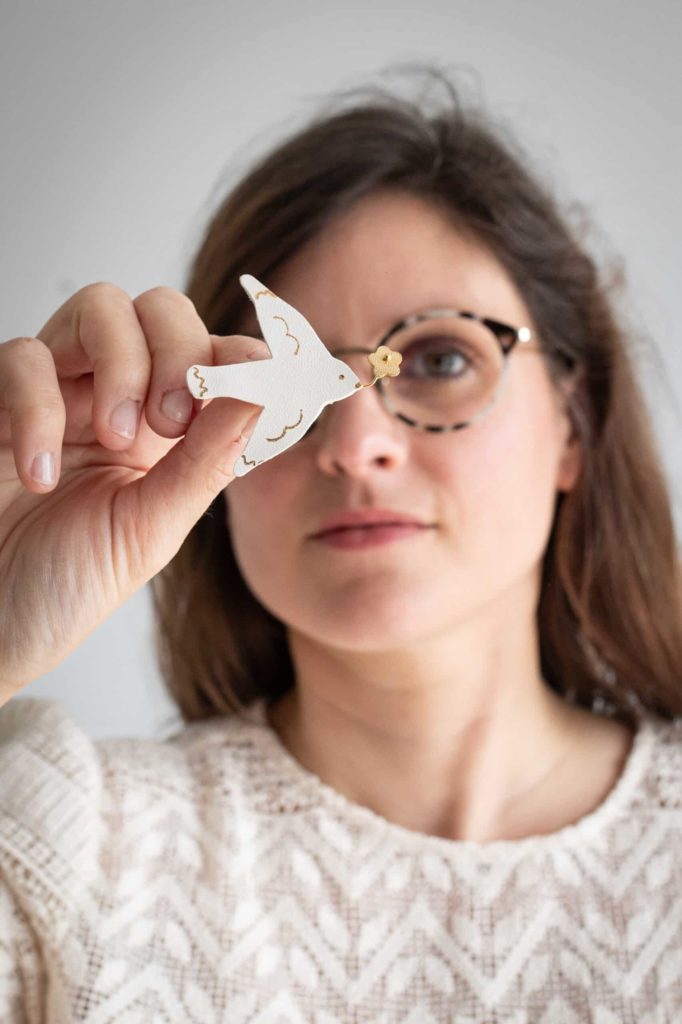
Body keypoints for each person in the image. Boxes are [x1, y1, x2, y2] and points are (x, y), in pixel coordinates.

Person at [1, 66, 681, 1022]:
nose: (358, 445)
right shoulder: (58, 851)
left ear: (576, 420)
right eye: (296, 380)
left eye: (442, 360)